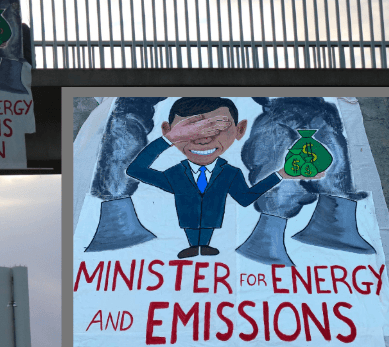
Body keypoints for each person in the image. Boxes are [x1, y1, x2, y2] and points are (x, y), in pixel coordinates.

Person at [126, 97, 311, 259]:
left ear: (240, 130)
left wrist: (280, 175)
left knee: (207, 228)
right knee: (191, 228)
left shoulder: (230, 173)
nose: (203, 140)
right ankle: (194, 247)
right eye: (191, 132)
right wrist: (170, 139)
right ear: (168, 130)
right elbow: (135, 170)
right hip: (187, 219)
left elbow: (245, 198)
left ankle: (203, 246)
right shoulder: (175, 174)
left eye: (217, 129)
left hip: (212, 219)